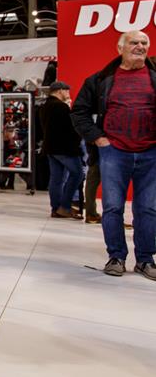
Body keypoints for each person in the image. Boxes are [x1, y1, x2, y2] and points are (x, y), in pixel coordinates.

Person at [71, 31, 156, 280]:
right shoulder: (100, 80)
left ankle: (146, 260)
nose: (140, 46)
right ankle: (116, 256)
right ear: (120, 48)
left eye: (144, 43)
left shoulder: (153, 77)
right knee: (112, 207)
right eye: (134, 42)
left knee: (148, 209)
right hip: (114, 152)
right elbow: (79, 113)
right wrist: (99, 139)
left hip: (151, 152)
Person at [39, 81, 84, 219]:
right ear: (60, 91)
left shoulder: (44, 107)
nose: (68, 94)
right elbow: (71, 129)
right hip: (65, 148)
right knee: (77, 174)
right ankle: (64, 206)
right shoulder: (61, 107)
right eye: (67, 91)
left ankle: (56, 208)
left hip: (50, 148)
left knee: (56, 179)